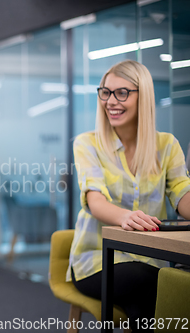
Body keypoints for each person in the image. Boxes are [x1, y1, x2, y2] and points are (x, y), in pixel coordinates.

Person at [67, 60, 190, 331]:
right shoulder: (88, 143)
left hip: (148, 260)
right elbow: (94, 199)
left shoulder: (167, 145)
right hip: (96, 261)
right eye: (105, 92)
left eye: (122, 92)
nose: (111, 101)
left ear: (142, 96)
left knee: (149, 291)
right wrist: (126, 217)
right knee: (152, 282)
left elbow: (182, 195)